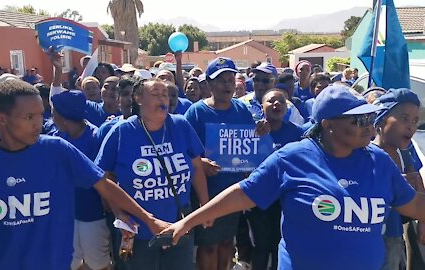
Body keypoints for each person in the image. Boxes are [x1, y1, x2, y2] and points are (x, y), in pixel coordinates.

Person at [164, 84, 425, 270]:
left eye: (369, 118)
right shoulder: (292, 158)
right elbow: (243, 194)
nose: (368, 126)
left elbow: (413, 205)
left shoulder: (379, 162)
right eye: (358, 120)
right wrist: (187, 222)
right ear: (328, 124)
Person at [0, 77, 168, 270]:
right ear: (1, 119)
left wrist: (149, 220)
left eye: (40, 115)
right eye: (28, 117)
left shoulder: (57, 150)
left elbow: (104, 185)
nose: (38, 124)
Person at [95, 78, 210, 270]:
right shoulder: (122, 132)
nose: (162, 99)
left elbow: (197, 168)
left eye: (165, 94)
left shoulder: (181, 126)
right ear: (138, 98)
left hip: (180, 225)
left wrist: (205, 205)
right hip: (138, 230)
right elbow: (104, 178)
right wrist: (118, 212)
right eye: (155, 94)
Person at [184, 57, 268, 270]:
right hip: (206, 193)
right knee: (208, 246)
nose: (227, 85)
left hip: (232, 191)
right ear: (210, 84)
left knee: (226, 243)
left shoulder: (241, 110)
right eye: (221, 80)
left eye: (231, 79)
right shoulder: (196, 112)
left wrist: (261, 132)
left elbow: (249, 146)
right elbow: (183, 150)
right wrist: (201, 162)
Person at [237, 88, 304, 270]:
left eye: (281, 102)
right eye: (271, 101)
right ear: (261, 107)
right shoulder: (251, 131)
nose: (276, 104)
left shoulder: (298, 134)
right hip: (259, 200)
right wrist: (257, 139)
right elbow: (242, 165)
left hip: (286, 200)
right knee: (260, 247)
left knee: (280, 245)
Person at [50, 90, 113, 270]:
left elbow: (104, 176)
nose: (51, 116)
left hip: (92, 214)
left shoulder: (96, 137)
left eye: (53, 112)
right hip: (66, 214)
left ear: (63, 117)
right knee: (70, 261)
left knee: (98, 263)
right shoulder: (57, 137)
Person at [372, 88, 425, 270]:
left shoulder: (404, 153)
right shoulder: (368, 155)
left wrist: (422, 222)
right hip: (370, 236)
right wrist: (395, 184)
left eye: (415, 121)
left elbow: (418, 183)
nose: (411, 126)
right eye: (404, 118)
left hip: (394, 234)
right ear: (380, 120)